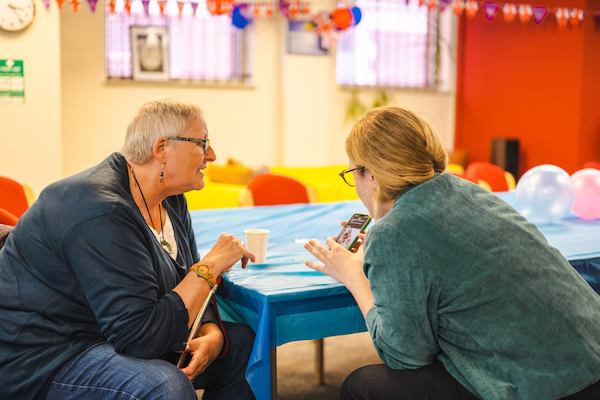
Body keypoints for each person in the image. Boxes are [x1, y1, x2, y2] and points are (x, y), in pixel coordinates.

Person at [304, 106, 600, 400]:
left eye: (353, 172)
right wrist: (386, 248)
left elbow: (404, 355)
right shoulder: (469, 191)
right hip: (589, 356)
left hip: (541, 386)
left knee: (360, 386)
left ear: (372, 174)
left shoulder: (395, 232)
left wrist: (354, 276)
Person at [0, 98, 257, 400]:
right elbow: (139, 338)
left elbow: (186, 281)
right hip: (47, 356)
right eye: (202, 143)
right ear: (161, 149)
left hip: (108, 336)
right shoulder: (97, 208)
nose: (211, 155)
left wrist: (211, 333)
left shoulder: (171, 200)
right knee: (165, 385)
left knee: (238, 343)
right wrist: (210, 266)